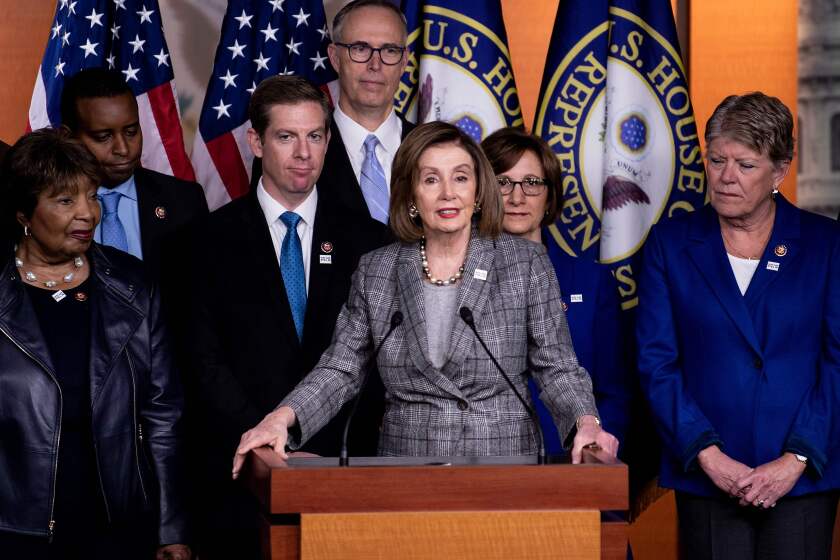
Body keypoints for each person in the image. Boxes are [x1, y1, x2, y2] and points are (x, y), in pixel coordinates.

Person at [232, 121, 619, 476]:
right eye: (431, 179)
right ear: (412, 194)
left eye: (461, 178)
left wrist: (585, 421)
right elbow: (341, 368)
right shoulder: (378, 270)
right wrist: (282, 418)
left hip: (505, 465)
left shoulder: (525, 264)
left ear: (478, 191)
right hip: (408, 469)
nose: (448, 193)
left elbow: (557, 367)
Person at [187, 76, 387, 559]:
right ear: (256, 141)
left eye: (315, 136)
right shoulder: (202, 243)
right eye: (286, 136)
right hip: (241, 478)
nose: (303, 152)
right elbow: (201, 363)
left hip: (347, 470)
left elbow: (377, 364)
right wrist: (270, 441)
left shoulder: (372, 243)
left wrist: (315, 440)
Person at [636, 92, 840, 559]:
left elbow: (838, 360)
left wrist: (797, 458)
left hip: (802, 475)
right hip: (708, 473)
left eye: (745, 165)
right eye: (716, 160)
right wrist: (707, 454)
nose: (726, 177)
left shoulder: (826, 244)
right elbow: (656, 361)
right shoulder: (670, 244)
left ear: (781, 169)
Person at [0, 129, 189, 559]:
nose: (87, 213)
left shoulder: (132, 284)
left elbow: (163, 415)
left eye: (91, 195)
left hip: (116, 525)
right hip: (14, 529)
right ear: (24, 212)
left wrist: (171, 528)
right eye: (66, 201)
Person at [481, 128, 631, 454]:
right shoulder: (456, 277)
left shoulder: (591, 280)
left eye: (532, 183)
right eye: (502, 182)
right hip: (484, 470)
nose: (517, 198)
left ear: (550, 195)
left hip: (570, 467)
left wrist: (597, 461)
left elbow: (614, 392)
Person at [253, 0, 414, 223]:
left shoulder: (432, 149)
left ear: (404, 60)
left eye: (389, 50)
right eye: (360, 48)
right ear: (335, 57)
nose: (375, 64)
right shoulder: (290, 151)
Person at [59, 67, 208, 275]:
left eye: (131, 132)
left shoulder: (184, 200)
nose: (123, 149)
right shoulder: (46, 210)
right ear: (68, 137)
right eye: (103, 137)